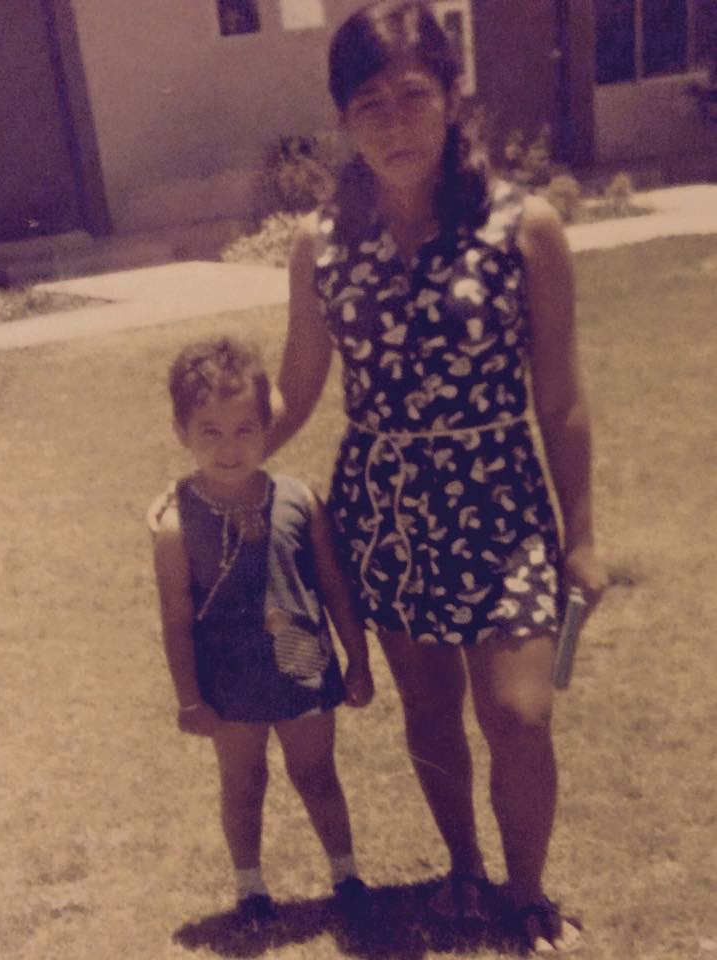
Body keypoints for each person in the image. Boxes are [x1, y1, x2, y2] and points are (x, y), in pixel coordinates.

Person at [267, 0, 608, 952]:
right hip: (386, 506)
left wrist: (579, 533)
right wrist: (226, 454)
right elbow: (297, 387)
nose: (393, 121)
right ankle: (463, 870)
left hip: (500, 499)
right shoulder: (319, 245)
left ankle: (525, 893)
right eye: (368, 103)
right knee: (428, 712)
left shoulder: (522, 226)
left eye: (413, 95)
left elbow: (563, 398)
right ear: (344, 119)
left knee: (518, 713)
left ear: (452, 100)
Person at [148, 336, 374, 925]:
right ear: (182, 431)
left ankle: (347, 876)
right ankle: (251, 889)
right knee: (244, 784)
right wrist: (189, 699)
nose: (229, 447)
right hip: (229, 692)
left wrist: (359, 659)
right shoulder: (175, 524)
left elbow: (333, 588)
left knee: (318, 775)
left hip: (304, 674)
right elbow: (175, 620)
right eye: (210, 431)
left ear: (266, 427)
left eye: (245, 429)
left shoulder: (299, 500)